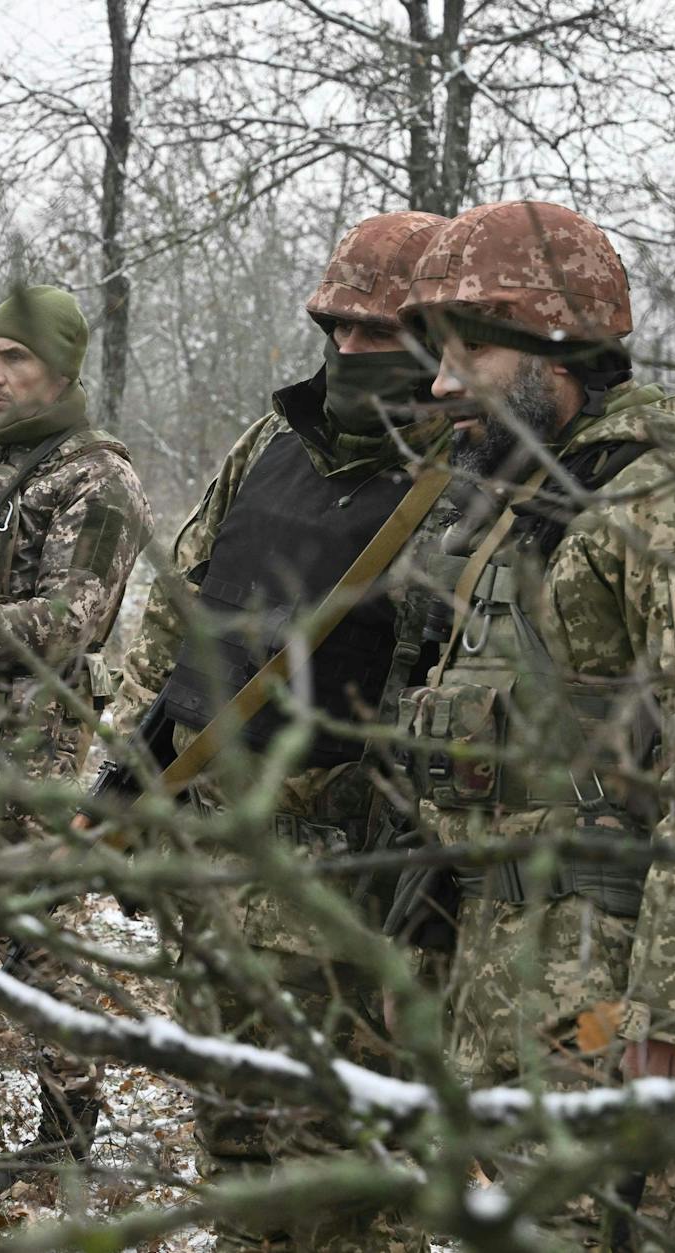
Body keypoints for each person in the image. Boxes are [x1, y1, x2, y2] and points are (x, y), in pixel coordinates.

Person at [393, 200, 675, 1249]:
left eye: (468, 352)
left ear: (559, 347)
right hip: (513, 978)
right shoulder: (531, 496)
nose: (441, 384)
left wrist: (673, 1018)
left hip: (611, 1004)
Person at [102, 211, 449, 1250]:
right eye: (334, 327)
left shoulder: (472, 476)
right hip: (217, 850)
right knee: (233, 1138)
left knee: (350, 1178)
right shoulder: (267, 444)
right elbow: (180, 601)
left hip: (351, 881)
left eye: (377, 333)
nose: (348, 349)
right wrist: (133, 760)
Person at [0, 283, 150, 1171]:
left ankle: (67, 1132)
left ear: (60, 369)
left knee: (37, 948)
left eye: (12, 358)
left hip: (30, 746)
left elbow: (74, 618)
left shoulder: (99, 477)